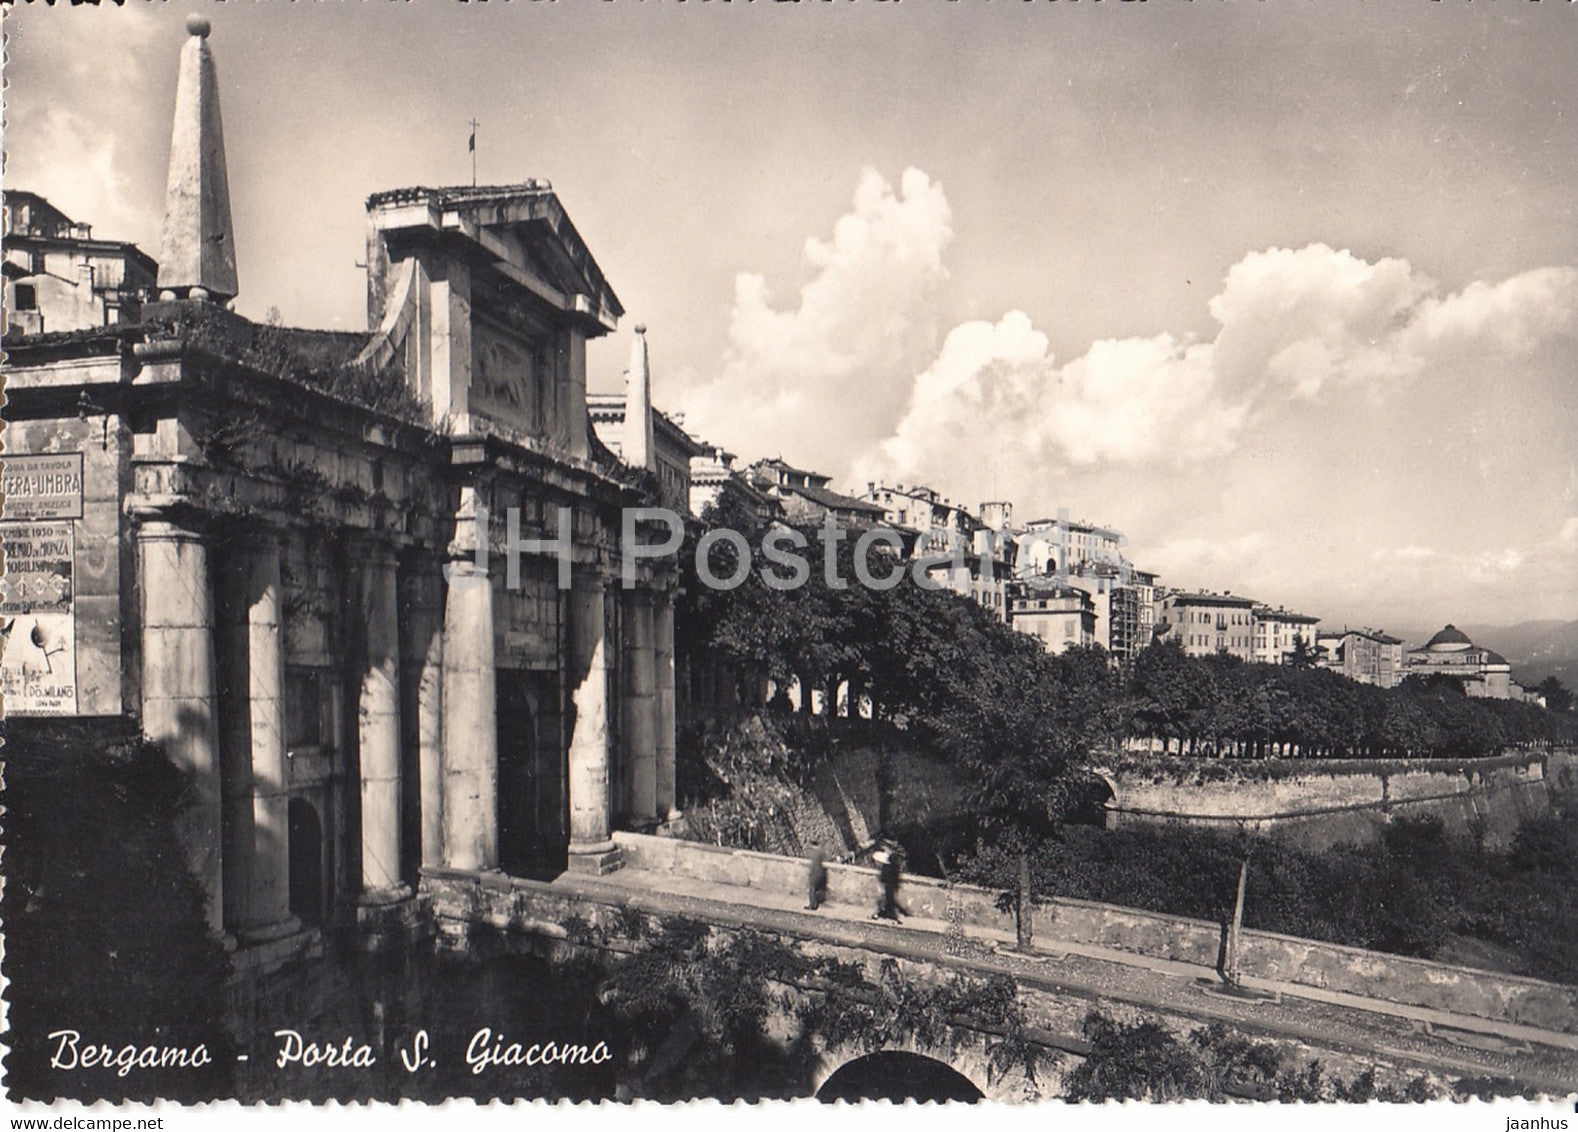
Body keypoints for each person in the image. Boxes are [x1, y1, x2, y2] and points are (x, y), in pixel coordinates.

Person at [872, 839, 905, 922]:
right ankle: (883, 914)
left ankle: (896, 917)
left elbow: (888, 873)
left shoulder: (891, 860)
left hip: (889, 883)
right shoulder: (892, 861)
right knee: (886, 899)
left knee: (887, 899)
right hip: (889, 883)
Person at [805, 842, 829, 911]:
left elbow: (811, 863)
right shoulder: (822, 851)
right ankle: (818, 902)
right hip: (822, 873)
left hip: (814, 873)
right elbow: (825, 861)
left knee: (812, 889)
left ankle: (812, 905)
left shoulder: (812, 853)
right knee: (820, 889)